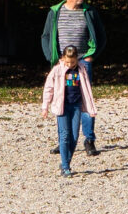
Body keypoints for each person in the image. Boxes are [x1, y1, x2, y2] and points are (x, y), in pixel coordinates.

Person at [40, 0, 103, 156]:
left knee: (85, 99)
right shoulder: (55, 12)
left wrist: (91, 56)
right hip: (63, 65)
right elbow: (46, 36)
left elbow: (101, 36)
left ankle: (89, 140)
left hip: (82, 63)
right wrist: (52, 59)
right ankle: (64, 139)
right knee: (63, 98)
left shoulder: (89, 12)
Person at [42, 44, 97, 175]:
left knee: (74, 136)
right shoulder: (57, 70)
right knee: (64, 135)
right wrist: (45, 106)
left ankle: (66, 161)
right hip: (62, 106)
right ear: (63, 58)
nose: (70, 65)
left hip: (76, 105)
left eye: (72, 62)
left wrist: (90, 108)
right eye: (67, 62)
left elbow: (87, 90)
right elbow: (48, 88)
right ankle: (66, 167)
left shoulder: (81, 69)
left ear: (77, 59)